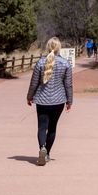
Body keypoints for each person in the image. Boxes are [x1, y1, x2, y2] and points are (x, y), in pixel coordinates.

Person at [26, 37, 73, 166]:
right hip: (58, 102)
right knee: (52, 128)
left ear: (47, 47)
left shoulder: (40, 63)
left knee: (42, 127)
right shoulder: (65, 64)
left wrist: (29, 97)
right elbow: (68, 85)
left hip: (42, 101)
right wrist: (70, 101)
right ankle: (46, 154)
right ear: (59, 48)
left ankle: (42, 147)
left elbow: (34, 83)